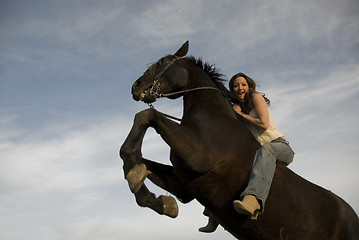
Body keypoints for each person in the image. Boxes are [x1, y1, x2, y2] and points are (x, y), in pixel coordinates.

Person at [199, 73, 294, 233]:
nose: (240, 88)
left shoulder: (256, 97)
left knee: (267, 148)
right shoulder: (237, 109)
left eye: (243, 84)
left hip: (279, 146)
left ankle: (254, 200)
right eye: (236, 85)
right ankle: (213, 214)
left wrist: (240, 115)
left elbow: (263, 124)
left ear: (249, 86)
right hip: (260, 154)